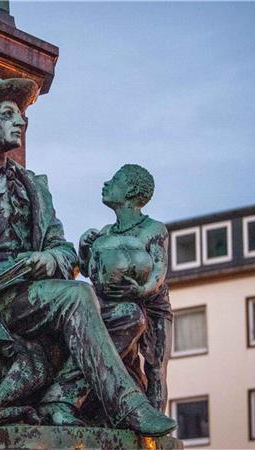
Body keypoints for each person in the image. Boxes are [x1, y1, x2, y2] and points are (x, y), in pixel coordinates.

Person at [0, 77, 176, 435]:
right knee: (76, 294)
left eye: (23, 118)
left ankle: (60, 397)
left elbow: (63, 250)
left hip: (33, 295)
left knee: (128, 315)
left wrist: (50, 259)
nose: (21, 123)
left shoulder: (33, 185)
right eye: (9, 115)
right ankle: (126, 406)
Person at [79, 164, 173, 411]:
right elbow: (90, 271)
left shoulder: (153, 229)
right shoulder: (107, 232)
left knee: (155, 367)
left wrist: (140, 291)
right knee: (122, 362)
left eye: (115, 180)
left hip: (152, 309)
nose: (106, 184)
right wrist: (84, 247)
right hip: (120, 307)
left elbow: (158, 272)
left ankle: (156, 433)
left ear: (131, 190)